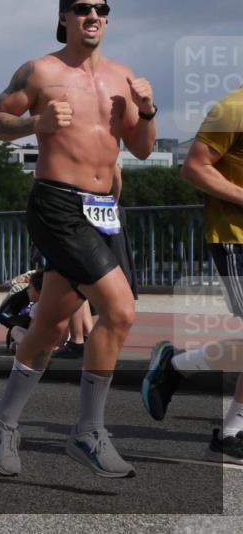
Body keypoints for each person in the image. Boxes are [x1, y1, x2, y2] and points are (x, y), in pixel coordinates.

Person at [0, 0, 155, 478]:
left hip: (104, 210)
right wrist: (34, 123)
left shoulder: (123, 77)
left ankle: (2, 417)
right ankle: (88, 431)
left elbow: (142, 149)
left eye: (100, 8)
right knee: (120, 311)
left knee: (52, 324)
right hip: (57, 203)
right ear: (64, 18)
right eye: (82, 8)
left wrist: (147, 110)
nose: (92, 15)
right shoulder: (41, 71)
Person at [142, 87, 243, 465]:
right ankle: (231, 433)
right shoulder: (233, 109)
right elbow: (194, 167)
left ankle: (177, 367)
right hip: (236, 238)